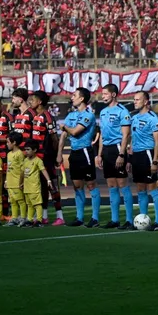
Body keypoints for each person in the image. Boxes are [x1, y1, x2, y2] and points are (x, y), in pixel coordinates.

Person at [58, 87, 101, 227]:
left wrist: (65, 128)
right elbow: (64, 136)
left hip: (85, 152)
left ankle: (94, 218)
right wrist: (59, 153)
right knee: (77, 186)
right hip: (74, 153)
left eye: (74, 95)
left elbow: (75, 132)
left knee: (91, 184)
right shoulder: (70, 116)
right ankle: (79, 217)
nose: (72, 97)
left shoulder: (88, 115)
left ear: (82, 99)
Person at [96, 84, 134, 230]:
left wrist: (122, 154)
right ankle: (115, 219)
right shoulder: (103, 112)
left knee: (122, 184)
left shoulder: (122, 111)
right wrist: (99, 154)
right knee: (111, 185)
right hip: (106, 150)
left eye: (105, 94)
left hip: (118, 149)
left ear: (113, 94)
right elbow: (102, 136)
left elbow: (126, 135)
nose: (102, 96)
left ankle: (129, 220)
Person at [129, 91, 158, 231]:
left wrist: (155, 161)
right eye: (134, 99)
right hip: (136, 156)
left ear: (145, 102)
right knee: (140, 188)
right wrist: (130, 159)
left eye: (138, 99)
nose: (135, 101)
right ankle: (143, 220)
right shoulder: (134, 118)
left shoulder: (153, 118)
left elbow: (157, 142)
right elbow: (132, 140)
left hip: (148, 154)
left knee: (152, 187)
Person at [29, 90, 62, 225]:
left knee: (52, 185)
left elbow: (54, 138)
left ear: (40, 102)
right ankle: (44, 216)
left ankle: (60, 216)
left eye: (32, 100)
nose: (30, 102)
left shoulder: (47, 117)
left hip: (47, 157)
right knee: (41, 186)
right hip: (37, 158)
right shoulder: (35, 116)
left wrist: (56, 156)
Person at [21, 141, 52, 228]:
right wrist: (21, 183)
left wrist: (48, 180)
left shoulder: (38, 161)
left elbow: (43, 170)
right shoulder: (25, 160)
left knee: (37, 204)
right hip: (27, 187)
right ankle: (29, 219)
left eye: (28, 149)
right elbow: (22, 172)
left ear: (34, 150)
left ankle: (39, 220)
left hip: (34, 187)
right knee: (29, 204)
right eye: (25, 150)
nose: (26, 151)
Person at [4, 133, 27, 227]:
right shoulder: (9, 154)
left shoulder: (20, 154)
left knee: (21, 201)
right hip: (10, 182)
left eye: (8, 142)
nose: (6, 144)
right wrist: (6, 181)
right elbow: (8, 168)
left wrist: (21, 181)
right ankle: (14, 218)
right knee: (13, 201)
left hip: (17, 182)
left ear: (14, 143)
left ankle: (23, 218)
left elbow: (22, 169)